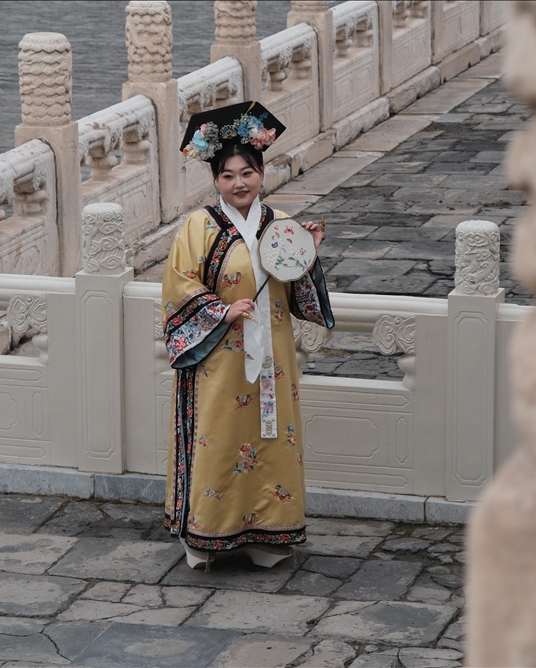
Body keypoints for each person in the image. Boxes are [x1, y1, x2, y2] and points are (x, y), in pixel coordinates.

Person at [162, 101, 335, 570]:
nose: (239, 183)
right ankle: (208, 534)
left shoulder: (278, 224)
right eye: (228, 176)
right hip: (219, 359)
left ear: (262, 172)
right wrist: (221, 310)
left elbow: (299, 295)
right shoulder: (198, 228)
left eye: (248, 172)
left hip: (273, 356)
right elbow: (179, 290)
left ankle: (270, 534)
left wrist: (306, 253)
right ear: (215, 181)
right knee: (217, 438)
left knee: (274, 437)